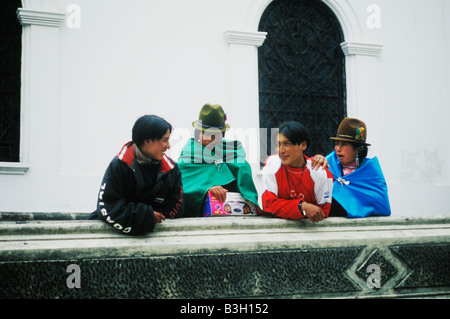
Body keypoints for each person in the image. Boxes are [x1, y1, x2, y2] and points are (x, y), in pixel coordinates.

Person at [88, 115, 183, 235]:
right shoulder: (120, 166)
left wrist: (158, 219)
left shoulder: (172, 170)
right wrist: (147, 216)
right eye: (165, 140)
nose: (168, 146)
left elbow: (177, 207)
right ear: (147, 141)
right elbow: (108, 208)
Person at [177, 103, 260, 217]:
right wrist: (207, 189)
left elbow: (243, 179)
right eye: (204, 133)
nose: (209, 139)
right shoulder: (188, 155)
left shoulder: (232, 152)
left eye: (214, 135)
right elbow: (181, 187)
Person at [262, 121, 334, 222]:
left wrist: (286, 208)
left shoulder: (320, 173)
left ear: (303, 145)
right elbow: (268, 204)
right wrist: (302, 207)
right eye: (278, 144)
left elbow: (322, 211)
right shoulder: (272, 164)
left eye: (286, 144)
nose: (281, 150)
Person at [326, 117, 391, 217]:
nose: (338, 149)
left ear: (357, 149)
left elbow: (382, 205)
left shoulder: (370, 172)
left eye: (344, 144)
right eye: (336, 144)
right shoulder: (329, 163)